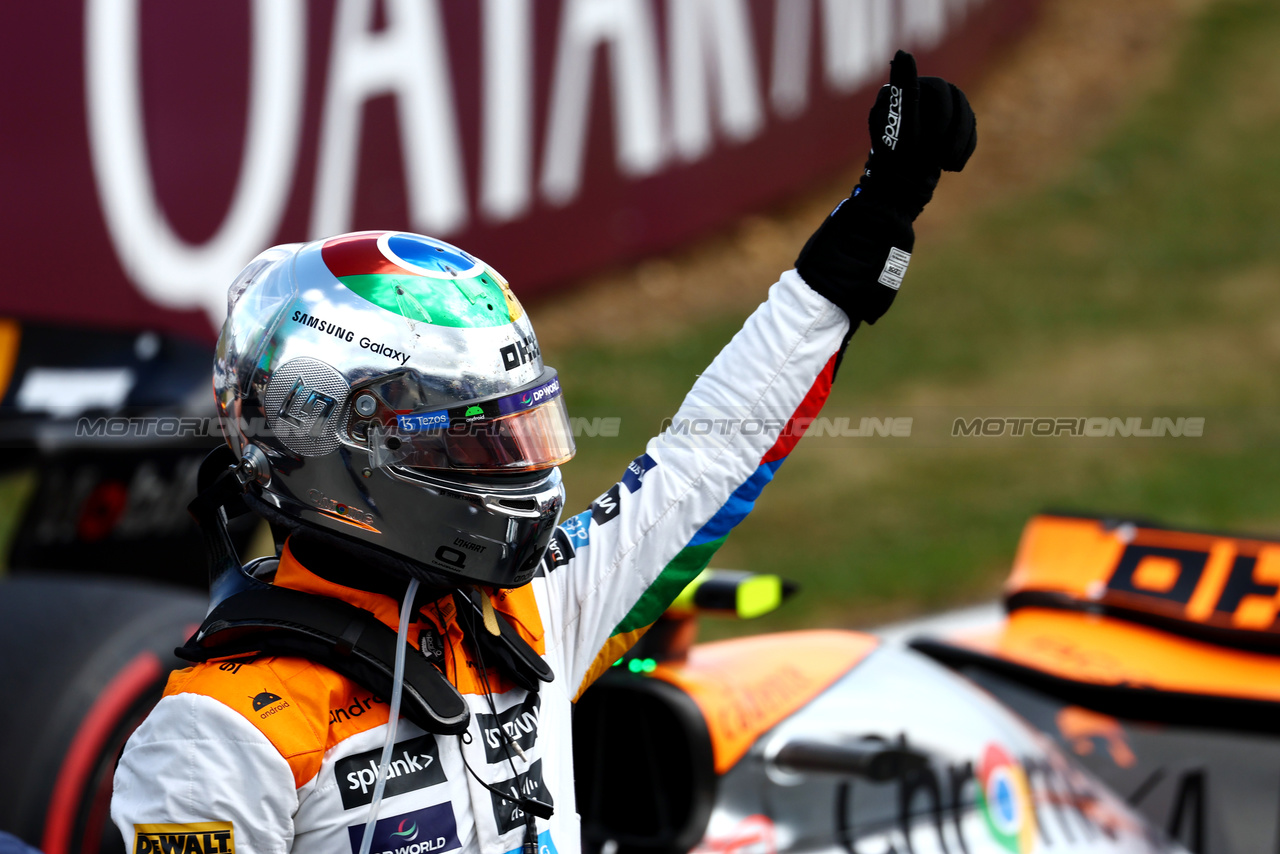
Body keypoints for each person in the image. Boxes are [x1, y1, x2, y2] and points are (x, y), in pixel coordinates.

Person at [111, 51, 975, 854]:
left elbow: (712, 455)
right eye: (473, 438)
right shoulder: (219, 733)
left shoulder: (526, 614)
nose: (516, 469)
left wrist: (875, 217)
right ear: (342, 447)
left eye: (517, 429)